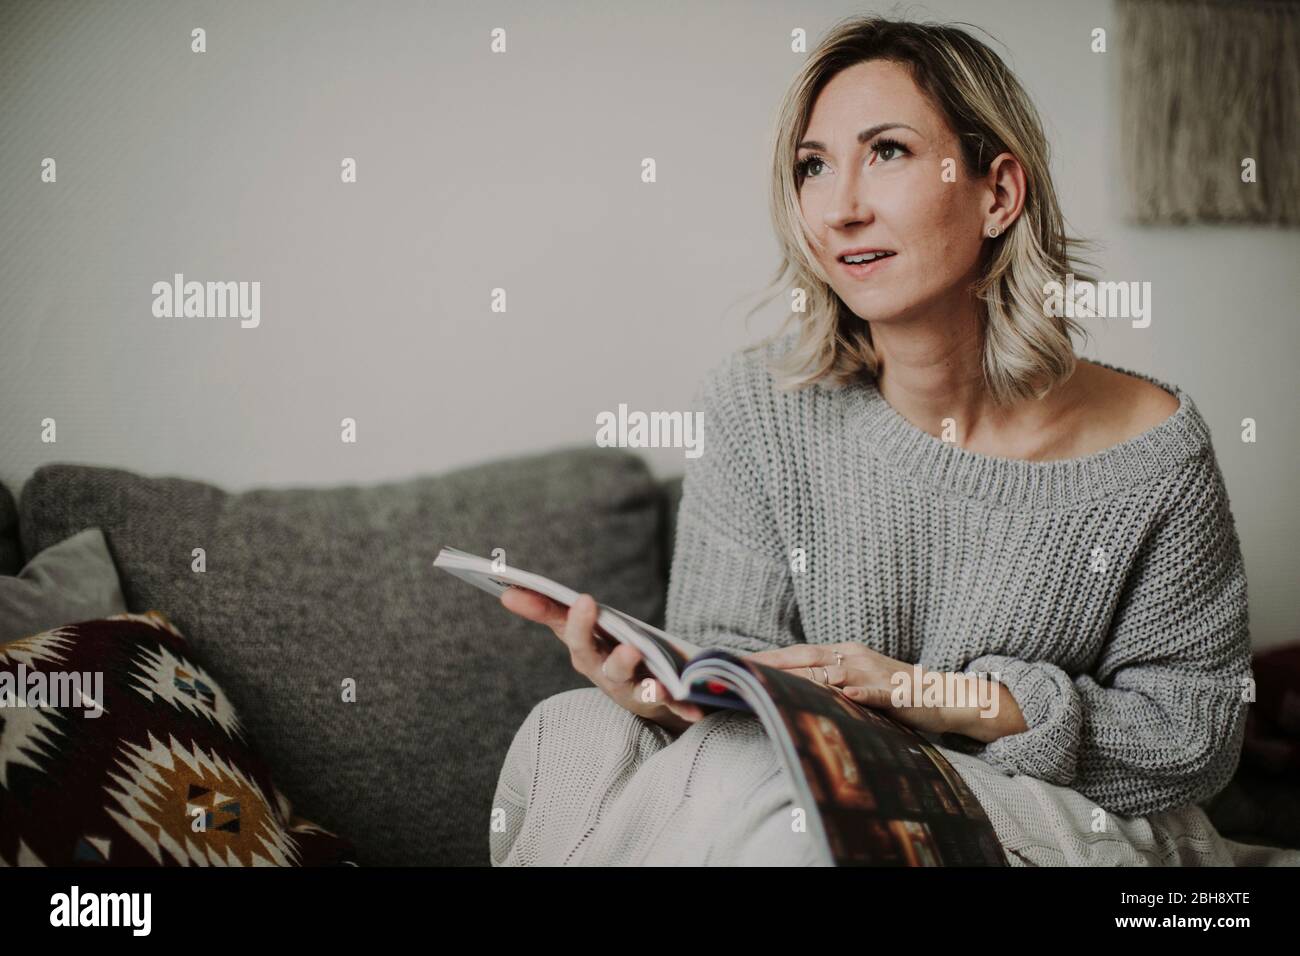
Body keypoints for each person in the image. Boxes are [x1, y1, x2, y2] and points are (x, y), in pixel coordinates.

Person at [489, 15, 1268, 866]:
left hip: (1052, 815)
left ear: (997, 194)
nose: (842, 208)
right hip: (812, 780)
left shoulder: (1152, 451)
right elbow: (737, 669)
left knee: (762, 800)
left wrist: (933, 695)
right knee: (574, 728)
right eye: (813, 168)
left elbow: (1195, 737)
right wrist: (658, 693)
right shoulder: (761, 405)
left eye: (888, 152)